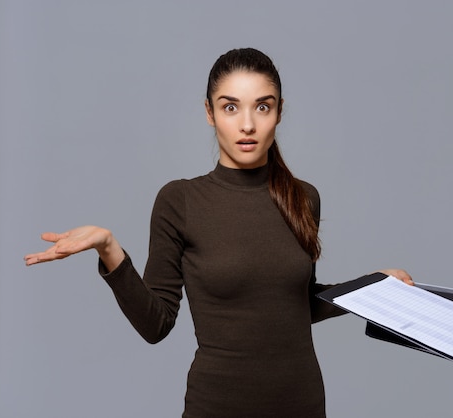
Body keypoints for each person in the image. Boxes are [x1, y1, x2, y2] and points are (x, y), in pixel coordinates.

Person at [24, 48, 413, 418]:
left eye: (263, 106)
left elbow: (296, 304)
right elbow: (156, 324)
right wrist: (110, 250)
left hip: (303, 404)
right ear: (210, 113)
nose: (248, 124)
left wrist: (371, 287)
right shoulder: (181, 200)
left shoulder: (303, 198)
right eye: (231, 107)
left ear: (279, 113)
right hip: (218, 407)